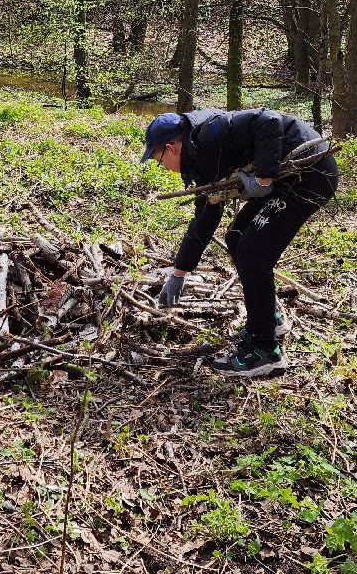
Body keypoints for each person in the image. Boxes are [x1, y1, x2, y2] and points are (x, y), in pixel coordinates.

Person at [142, 108, 338, 378]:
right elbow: (205, 217)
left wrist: (264, 177)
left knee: (253, 253)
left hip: (309, 173)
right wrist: (180, 272)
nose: (160, 165)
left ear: (170, 147)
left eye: (157, 158)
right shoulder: (199, 156)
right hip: (287, 177)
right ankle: (268, 320)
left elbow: (268, 121)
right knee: (235, 237)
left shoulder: (213, 132)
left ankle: (264, 351)